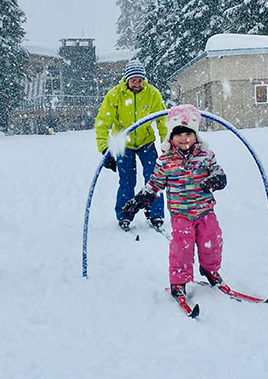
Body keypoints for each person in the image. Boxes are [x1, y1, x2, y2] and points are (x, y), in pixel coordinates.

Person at [122, 104, 228, 301]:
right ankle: (178, 282)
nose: (184, 138)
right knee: (182, 248)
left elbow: (218, 172)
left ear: (196, 135)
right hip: (181, 215)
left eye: (189, 133)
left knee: (212, 242)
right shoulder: (165, 161)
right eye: (179, 133)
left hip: (205, 211)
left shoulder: (205, 156)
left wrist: (217, 179)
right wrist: (138, 201)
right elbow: (154, 184)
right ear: (171, 136)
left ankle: (210, 270)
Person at [95, 58, 167, 231]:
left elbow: (163, 121)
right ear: (127, 79)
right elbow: (103, 122)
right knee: (127, 180)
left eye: (140, 80)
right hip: (123, 143)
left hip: (146, 142)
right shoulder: (115, 95)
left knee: (154, 178)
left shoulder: (152, 93)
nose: (137, 83)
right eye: (133, 80)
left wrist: (167, 145)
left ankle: (155, 212)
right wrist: (105, 149)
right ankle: (125, 215)